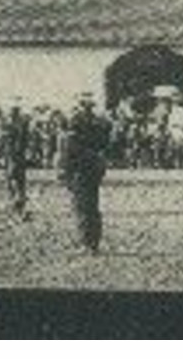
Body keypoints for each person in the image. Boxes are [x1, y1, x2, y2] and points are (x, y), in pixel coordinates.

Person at [58, 92, 111, 252]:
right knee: (93, 205)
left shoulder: (75, 122)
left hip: (79, 169)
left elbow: (69, 149)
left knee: (81, 206)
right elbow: (104, 144)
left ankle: (86, 243)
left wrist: (63, 169)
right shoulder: (99, 122)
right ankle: (94, 242)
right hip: (94, 168)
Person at [2, 97, 32, 219]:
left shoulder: (17, 124)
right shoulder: (13, 123)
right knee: (17, 180)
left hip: (15, 155)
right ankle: (17, 204)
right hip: (14, 155)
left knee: (14, 179)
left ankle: (18, 205)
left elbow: (21, 141)